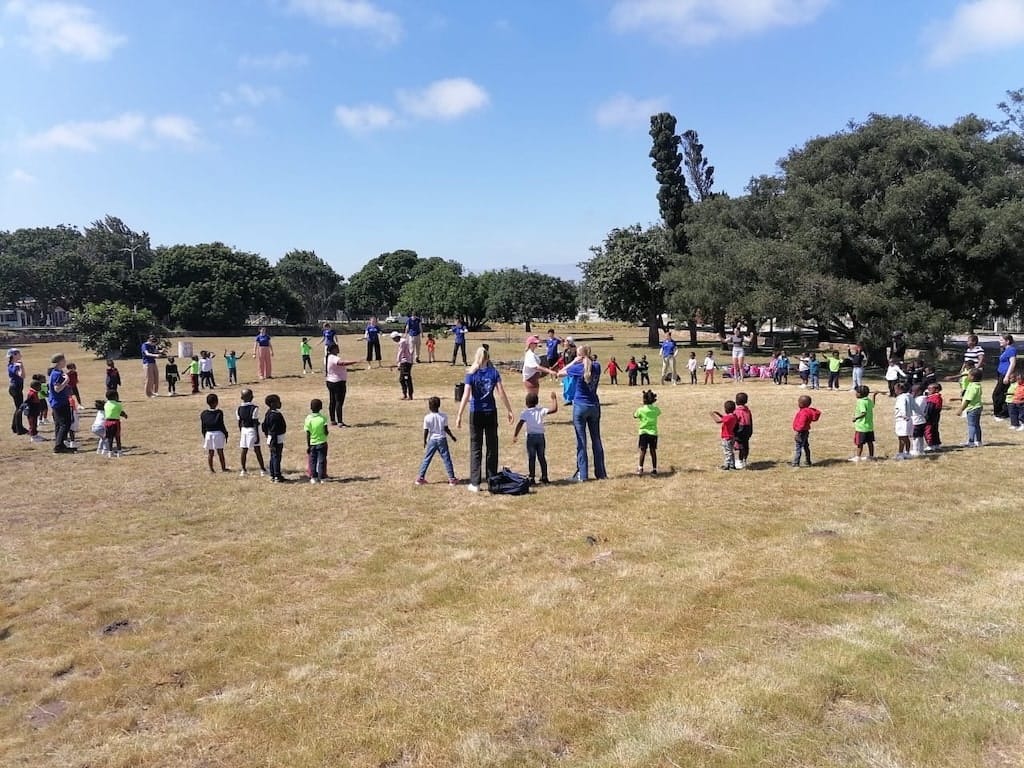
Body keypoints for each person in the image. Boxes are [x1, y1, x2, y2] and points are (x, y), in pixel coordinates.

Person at [456, 346, 515, 492]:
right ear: (488, 358)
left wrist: (459, 414)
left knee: (476, 447)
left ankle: (475, 483)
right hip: (490, 412)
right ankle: (492, 480)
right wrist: (509, 410)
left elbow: (466, 395)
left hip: (476, 412)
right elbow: (501, 392)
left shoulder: (471, 374)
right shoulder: (493, 373)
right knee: (492, 447)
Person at [556, 344, 607, 482]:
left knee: (581, 441)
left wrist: (573, 362)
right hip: (594, 405)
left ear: (580, 356)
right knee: (596, 439)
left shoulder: (577, 368)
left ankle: (582, 475)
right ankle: (601, 473)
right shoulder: (597, 366)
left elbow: (560, 373)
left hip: (580, 406)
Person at [513, 390, 558, 485]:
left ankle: (532, 477)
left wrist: (515, 435)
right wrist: (554, 399)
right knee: (541, 457)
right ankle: (545, 477)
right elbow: (554, 409)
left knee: (531, 458)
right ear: (537, 402)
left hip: (531, 437)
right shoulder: (541, 410)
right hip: (540, 437)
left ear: (526, 403)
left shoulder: (525, 413)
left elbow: (520, 424)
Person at [417, 396, 458, 486]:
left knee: (427, 458)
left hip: (432, 439)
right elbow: (446, 428)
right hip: (442, 439)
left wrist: (424, 440)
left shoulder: (427, 417)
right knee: (446, 459)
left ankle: (420, 478)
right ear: (439, 405)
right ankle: (452, 479)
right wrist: (452, 436)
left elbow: (426, 430)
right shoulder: (444, 416)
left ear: (429, 406)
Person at [325, 343, 360, 426]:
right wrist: (355, 361)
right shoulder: (334, 358)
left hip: (330, 381)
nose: (338, 349)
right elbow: (342, 363)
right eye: (337, 348)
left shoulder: (327, 357)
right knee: (339, 402)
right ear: (333, 349)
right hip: (338, 382)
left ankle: (333, 420)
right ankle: (340, 422)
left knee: (332, 401)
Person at [237, 388, 267, 477]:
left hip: (243, 430)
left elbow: (239, 423)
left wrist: (241, 431)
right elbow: (254, 422)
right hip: (252, 430)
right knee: (257, 450)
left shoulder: (239, 408)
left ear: (241, 397)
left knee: (244, 450)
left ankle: (243, 470)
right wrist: (257, 435)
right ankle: (262, 470)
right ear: (252, 397)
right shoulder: (254, 408)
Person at [48, 354, 75, 453]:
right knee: (65, 424)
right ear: (59, 362)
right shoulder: (56, 374)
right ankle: (58, 446)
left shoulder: (57, 372)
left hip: (57, 401)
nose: (65, 362)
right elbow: (57, 389)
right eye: (64, 360)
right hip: (60, 402)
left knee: (59, 424)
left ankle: (60, 444)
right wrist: (67, 380)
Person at [633, 389, 661, 475]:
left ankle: (640, 468)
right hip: (653, 433)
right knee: (653, 451)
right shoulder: (656, 409)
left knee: (643, 451)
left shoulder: (641, 410)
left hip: (643, 432)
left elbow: (635, 415)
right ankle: (654, 469)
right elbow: (659, 413)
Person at [200, 392, 229, 472]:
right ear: (217, 402)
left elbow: (203, 426)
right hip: (218, 433)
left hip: (208, 433)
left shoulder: (203, 413)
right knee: (220, 451)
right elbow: (221, 424)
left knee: (210, 452)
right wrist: (225, 433)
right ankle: (223, 468)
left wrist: (204, 435)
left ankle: (211, 469)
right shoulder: (219, 412)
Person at [261, 394, 287, 482]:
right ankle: (277, 475)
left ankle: (273, 474)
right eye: (278, 402)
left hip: (271, 438)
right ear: (272, 404)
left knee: (273, 456)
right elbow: (274, 430)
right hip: (275, 439)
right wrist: (273, 442)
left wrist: (266, 435)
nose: (280, 403)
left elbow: (263, 425)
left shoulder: (268, 413)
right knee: (276, 457)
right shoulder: (275, 416)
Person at [791, 395, 821, 467]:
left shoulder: (804, 413)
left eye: (799, 402)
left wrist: (798, 432)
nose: (798, 403)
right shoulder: (808, 411)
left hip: (801, 432)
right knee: (806, 446)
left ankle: (796, 463)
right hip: (806, 431)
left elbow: (802, 423)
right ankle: (808, 461)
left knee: (798, 447)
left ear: (802, 404)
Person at [992, 333, 1017, 420]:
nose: (1000, 341)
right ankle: (1003, 413)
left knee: (996, 394)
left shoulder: (1011, 350)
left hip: (1005, 374)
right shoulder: (1005, 350)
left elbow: (1013, 363)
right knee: (1002, 394)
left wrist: (1007, 376)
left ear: (1007, 341)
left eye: (1001, 340)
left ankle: (1001, 414)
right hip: (1000, 374)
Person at [304, 398, 329, 484]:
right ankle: (322, 477)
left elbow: (308, 433)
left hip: (312, 443)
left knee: (312, 460)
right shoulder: (323, 418)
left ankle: (313, 477)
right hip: (322, 442)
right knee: (322, 460)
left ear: (310, 408)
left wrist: (308, 445)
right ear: (321, 407)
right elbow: (326, 431)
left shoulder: (308, 419)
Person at [851, 385, 878, 461]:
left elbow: (863, 413)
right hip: (869, 426)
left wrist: (855, 418)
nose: (855, 394)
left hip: (861, 427)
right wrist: (874, 396)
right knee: (870, 442)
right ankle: (871, 456)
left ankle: (858, 457)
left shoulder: (860, 402)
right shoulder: (868, 400)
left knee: (860, 443)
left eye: (856, 392)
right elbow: (873, 405)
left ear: (860, 394)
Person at [959, 368, 983, 447]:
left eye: (968, 375)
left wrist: (961, 409)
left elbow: (968, 400)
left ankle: (971, 441)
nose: (967, 377)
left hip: (973, 408)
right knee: (976, 425)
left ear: (972, 377)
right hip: (977, 407)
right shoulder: (976, 385)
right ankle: (978, 441)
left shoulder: (973, 387)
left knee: (971, 425)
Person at [710, 400, 737, 470]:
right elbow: (724, 418)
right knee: (731, 451)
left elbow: (718, 421)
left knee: (727, 452)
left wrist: (712, 415)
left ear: (726, 409)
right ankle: (732, 465)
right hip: (732, 436)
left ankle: (727, 465)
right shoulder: (734, 416)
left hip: (727, 437)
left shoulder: (728, 417)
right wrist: (719, 414)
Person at [7, 347, 28, 436]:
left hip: (17, 388)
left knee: (18, 408)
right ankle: (19, 429)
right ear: (14, 355)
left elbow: (23, 376)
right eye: (18, 353)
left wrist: (21, 366)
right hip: (15, 388)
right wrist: (21, 366)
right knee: (19, 408)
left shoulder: (16, 365)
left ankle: (15, 427)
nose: (20, 354)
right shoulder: (13, 366)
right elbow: (22, 376)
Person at [101, 389, 127, 457]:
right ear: (115, 397)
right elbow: (121, 413)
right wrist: (125, 415)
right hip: (115, 422)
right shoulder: (118, 404)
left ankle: (110, 452)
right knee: (117, 437)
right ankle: (119, 452)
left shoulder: (106, 404)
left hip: (107, 422)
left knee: (110, 438)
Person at [893, 382, 913, 460]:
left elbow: (902, 407)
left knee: (901, 437)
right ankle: (907, 452)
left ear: (899, 390)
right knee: (906, 437)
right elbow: (915, 406)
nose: (894, 391)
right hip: (909, 419)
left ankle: (900, 453)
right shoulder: (909, 396)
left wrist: (904, 415)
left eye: (895, 389)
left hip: (902, 419)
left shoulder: (901, 398)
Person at [392, 331, 415, 400]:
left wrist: (397, 361)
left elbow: (400, 352)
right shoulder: (402, 341)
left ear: (396, 337)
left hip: (406, 362)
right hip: (404, 362)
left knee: (407, 379)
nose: (393, 340)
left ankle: (410, 395)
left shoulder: (402, 342)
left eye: (393, 339)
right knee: (402, 379)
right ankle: (404, 394)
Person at [734, 391, 754, 469]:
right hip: (748, 430)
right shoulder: (748, 410)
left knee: (741, 447)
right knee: (746, 446)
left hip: (740, 430)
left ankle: (740, 461)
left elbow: (734, 421)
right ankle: (744, 460)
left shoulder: (736, 411)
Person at [25, 374, 45, 443]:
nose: (40, 388)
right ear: (35, 387)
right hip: (31, 412)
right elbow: (27, 403)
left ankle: (35, 434)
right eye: (39, 387)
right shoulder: (31, 394)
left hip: (35, 412)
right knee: (32, 424)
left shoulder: (35, 392)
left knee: (35, 424)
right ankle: (33, 437)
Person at [924, 383, 944, 450]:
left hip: (930, 417)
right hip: (935, 417)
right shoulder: (937, 397)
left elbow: (930, 409)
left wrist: (926, 417)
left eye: (930, 389)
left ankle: (930, 444)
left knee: (928, 431)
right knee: (935, 430)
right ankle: (936, 444)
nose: (928, 391)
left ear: (936, 390)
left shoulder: (933, 398)